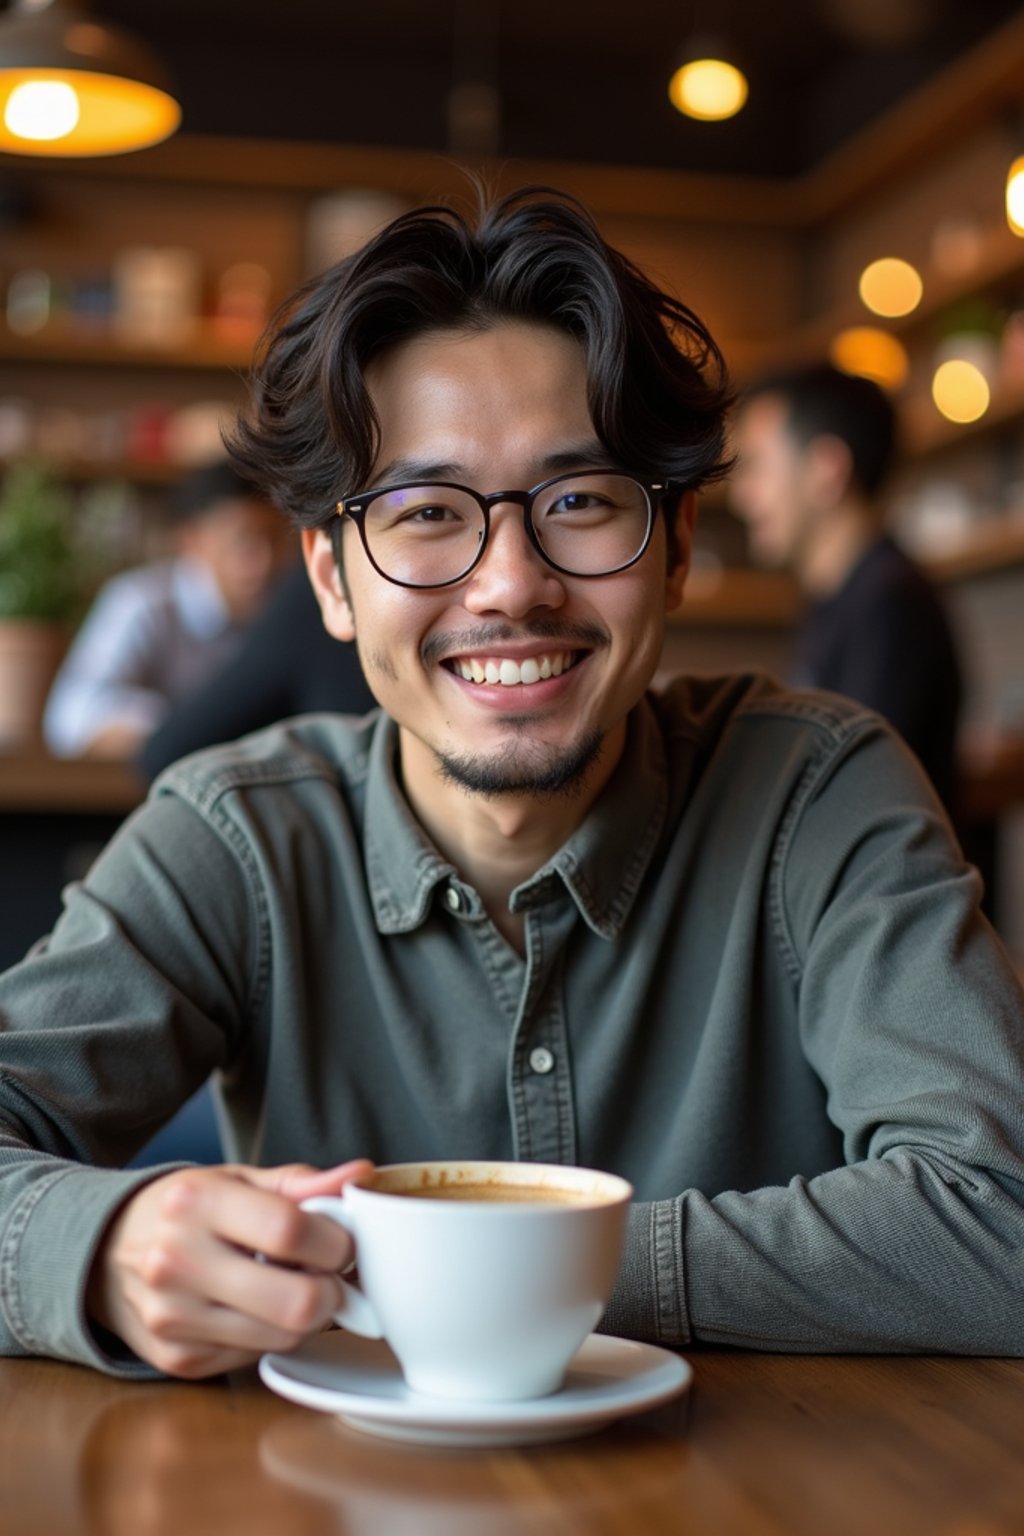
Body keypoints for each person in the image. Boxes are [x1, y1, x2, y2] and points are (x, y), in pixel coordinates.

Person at [0, 188, 1022, 1383]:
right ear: (330, 580)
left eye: (579, 502)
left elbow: (997, 1216)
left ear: (678, 547)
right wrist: (104, 1242)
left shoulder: (817, 792)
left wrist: (482, 1269)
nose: (509, 585)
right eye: (428, 513)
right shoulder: (237, 837)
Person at [728, 364, 963, 812]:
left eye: (756, 466)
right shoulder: (838, 597)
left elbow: (854, 782)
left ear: (826, 470)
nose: (743, 495)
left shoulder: (890, 600)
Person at [44, 460, 294, 759]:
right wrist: (183, 730)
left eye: (276, 540)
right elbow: (72, 716)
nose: (264, 563)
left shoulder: (289, 612)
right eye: (244, 542)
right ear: (192, 541)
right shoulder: (142, 604)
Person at [138, 558, 375, 781]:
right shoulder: (147, 602)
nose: (264, 563)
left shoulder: (307, 600)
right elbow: (169, 751)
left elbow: (166, 752)